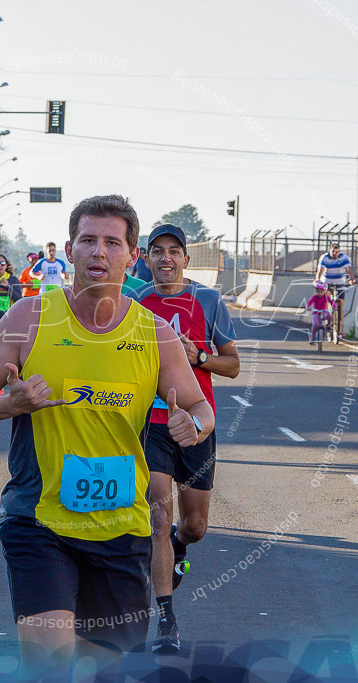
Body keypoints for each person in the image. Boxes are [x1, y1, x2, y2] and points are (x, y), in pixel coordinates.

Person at [0, 195, 214, 677]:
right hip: (40, 520)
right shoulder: (30, 318)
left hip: (122, 527)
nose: (99, 252)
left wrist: (192, 424)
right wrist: (8, 404)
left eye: (112, 242)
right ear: (69, 250)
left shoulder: (155, 334)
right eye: (88, 240)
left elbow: (199, 407)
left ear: (131, 256)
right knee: (49, 660)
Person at [130, 223, 240, 654]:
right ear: (147, 258)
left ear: (186, 259)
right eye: (157, 251)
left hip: (197, 425)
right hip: (152, 424)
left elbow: (232, 366)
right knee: (157, 519)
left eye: (174, 251)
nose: (165, 259)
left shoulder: (209, 301)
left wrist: (199, 357)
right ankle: (166, 620)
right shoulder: (135, 302)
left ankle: (179, 546)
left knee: (193, 527)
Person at [314, 242, 356, 338]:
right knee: (328, 298)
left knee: (340, 306)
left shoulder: (344, 257)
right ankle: (326, 319)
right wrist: (317, 280)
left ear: (339, 252)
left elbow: (349, 270)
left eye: (337, 252)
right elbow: (319, 271)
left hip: (340, 283)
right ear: (329, 250)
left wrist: (352, 280)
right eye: (333, 252)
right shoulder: (324, 258)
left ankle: (339, 331)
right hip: (327, 282)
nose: (335, 254)